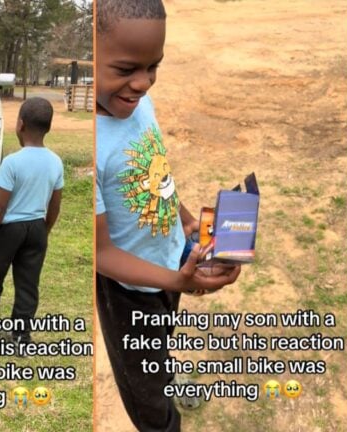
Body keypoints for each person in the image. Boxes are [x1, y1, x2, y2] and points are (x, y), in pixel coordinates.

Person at [95, 0, 241, 430]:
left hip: (168, 263)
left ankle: (163, 372)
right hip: (126, 289)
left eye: (153, 66)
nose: (142, 83)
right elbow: (101, 253)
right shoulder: (92, 145)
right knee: (148, 400)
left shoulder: (141, 107)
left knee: (159, 341)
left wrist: (184, 221)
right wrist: (177, 279)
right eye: (125, 70)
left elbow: (154, 171)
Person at [0, 97, 63, 348]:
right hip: (37, 226)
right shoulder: (55, 161)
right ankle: (21, 335)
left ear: (20, 124)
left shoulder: (12, 162)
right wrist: (44, 229)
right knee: (28, 284)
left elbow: (0, 206)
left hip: (9, 229)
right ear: (48, 127)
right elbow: (55, 205)